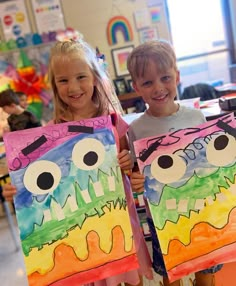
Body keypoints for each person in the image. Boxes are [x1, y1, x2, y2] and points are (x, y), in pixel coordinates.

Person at [2, 39, 153, 286]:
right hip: (80, 238)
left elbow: (134, 174)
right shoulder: (48, 136)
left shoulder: (115, 123)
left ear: (94, 78)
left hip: (120, 229)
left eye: (81, 77)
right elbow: (38, 190)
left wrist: (129, 167)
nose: (73, 87)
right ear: (55, 85)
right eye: (63, 80)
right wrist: (17, 192)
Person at [126, 40, 223, 286]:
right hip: (163, 218)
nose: (158, 88)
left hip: (201, 210)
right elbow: (137, 175)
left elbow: (211, 164)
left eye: (165, 78)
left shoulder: (196, 117)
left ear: (177, 76)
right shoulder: (136, 129)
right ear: (136, 87)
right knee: (171, 274)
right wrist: (136, 180)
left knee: (206, 271)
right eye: (147, 82)